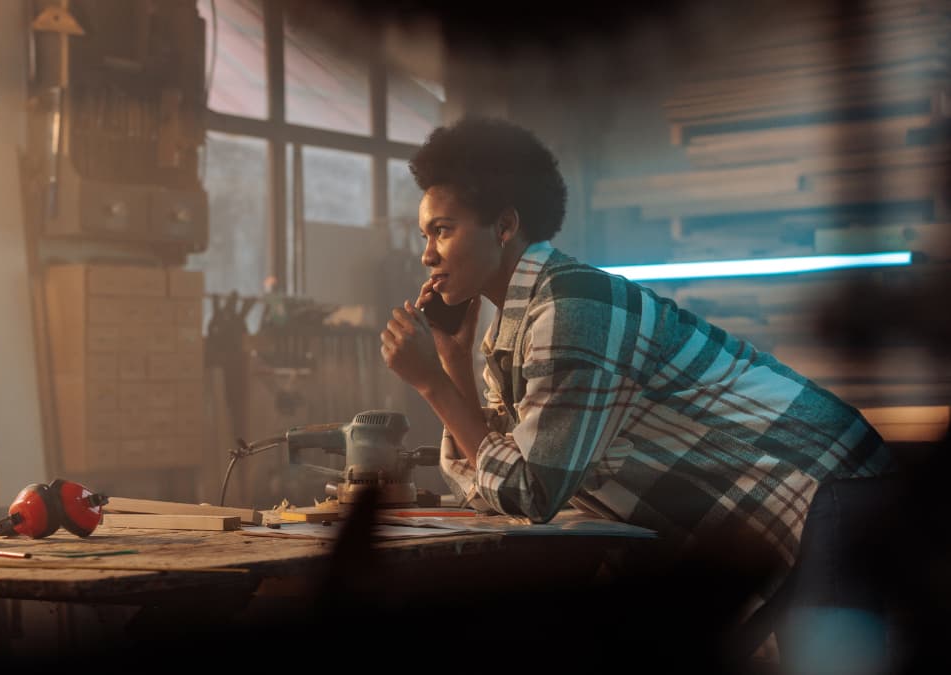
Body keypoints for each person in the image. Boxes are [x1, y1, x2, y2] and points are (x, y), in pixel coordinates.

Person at [378, 116, 899, 664]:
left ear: (505, 225)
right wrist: (452, 361)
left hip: (827, 478)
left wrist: (433, 384)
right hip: (781, 498)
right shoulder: (516, 329)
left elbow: (532, 491)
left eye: (443, 230)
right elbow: (491, 481)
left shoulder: (572, 308)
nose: (426, 255)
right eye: (425, 235)